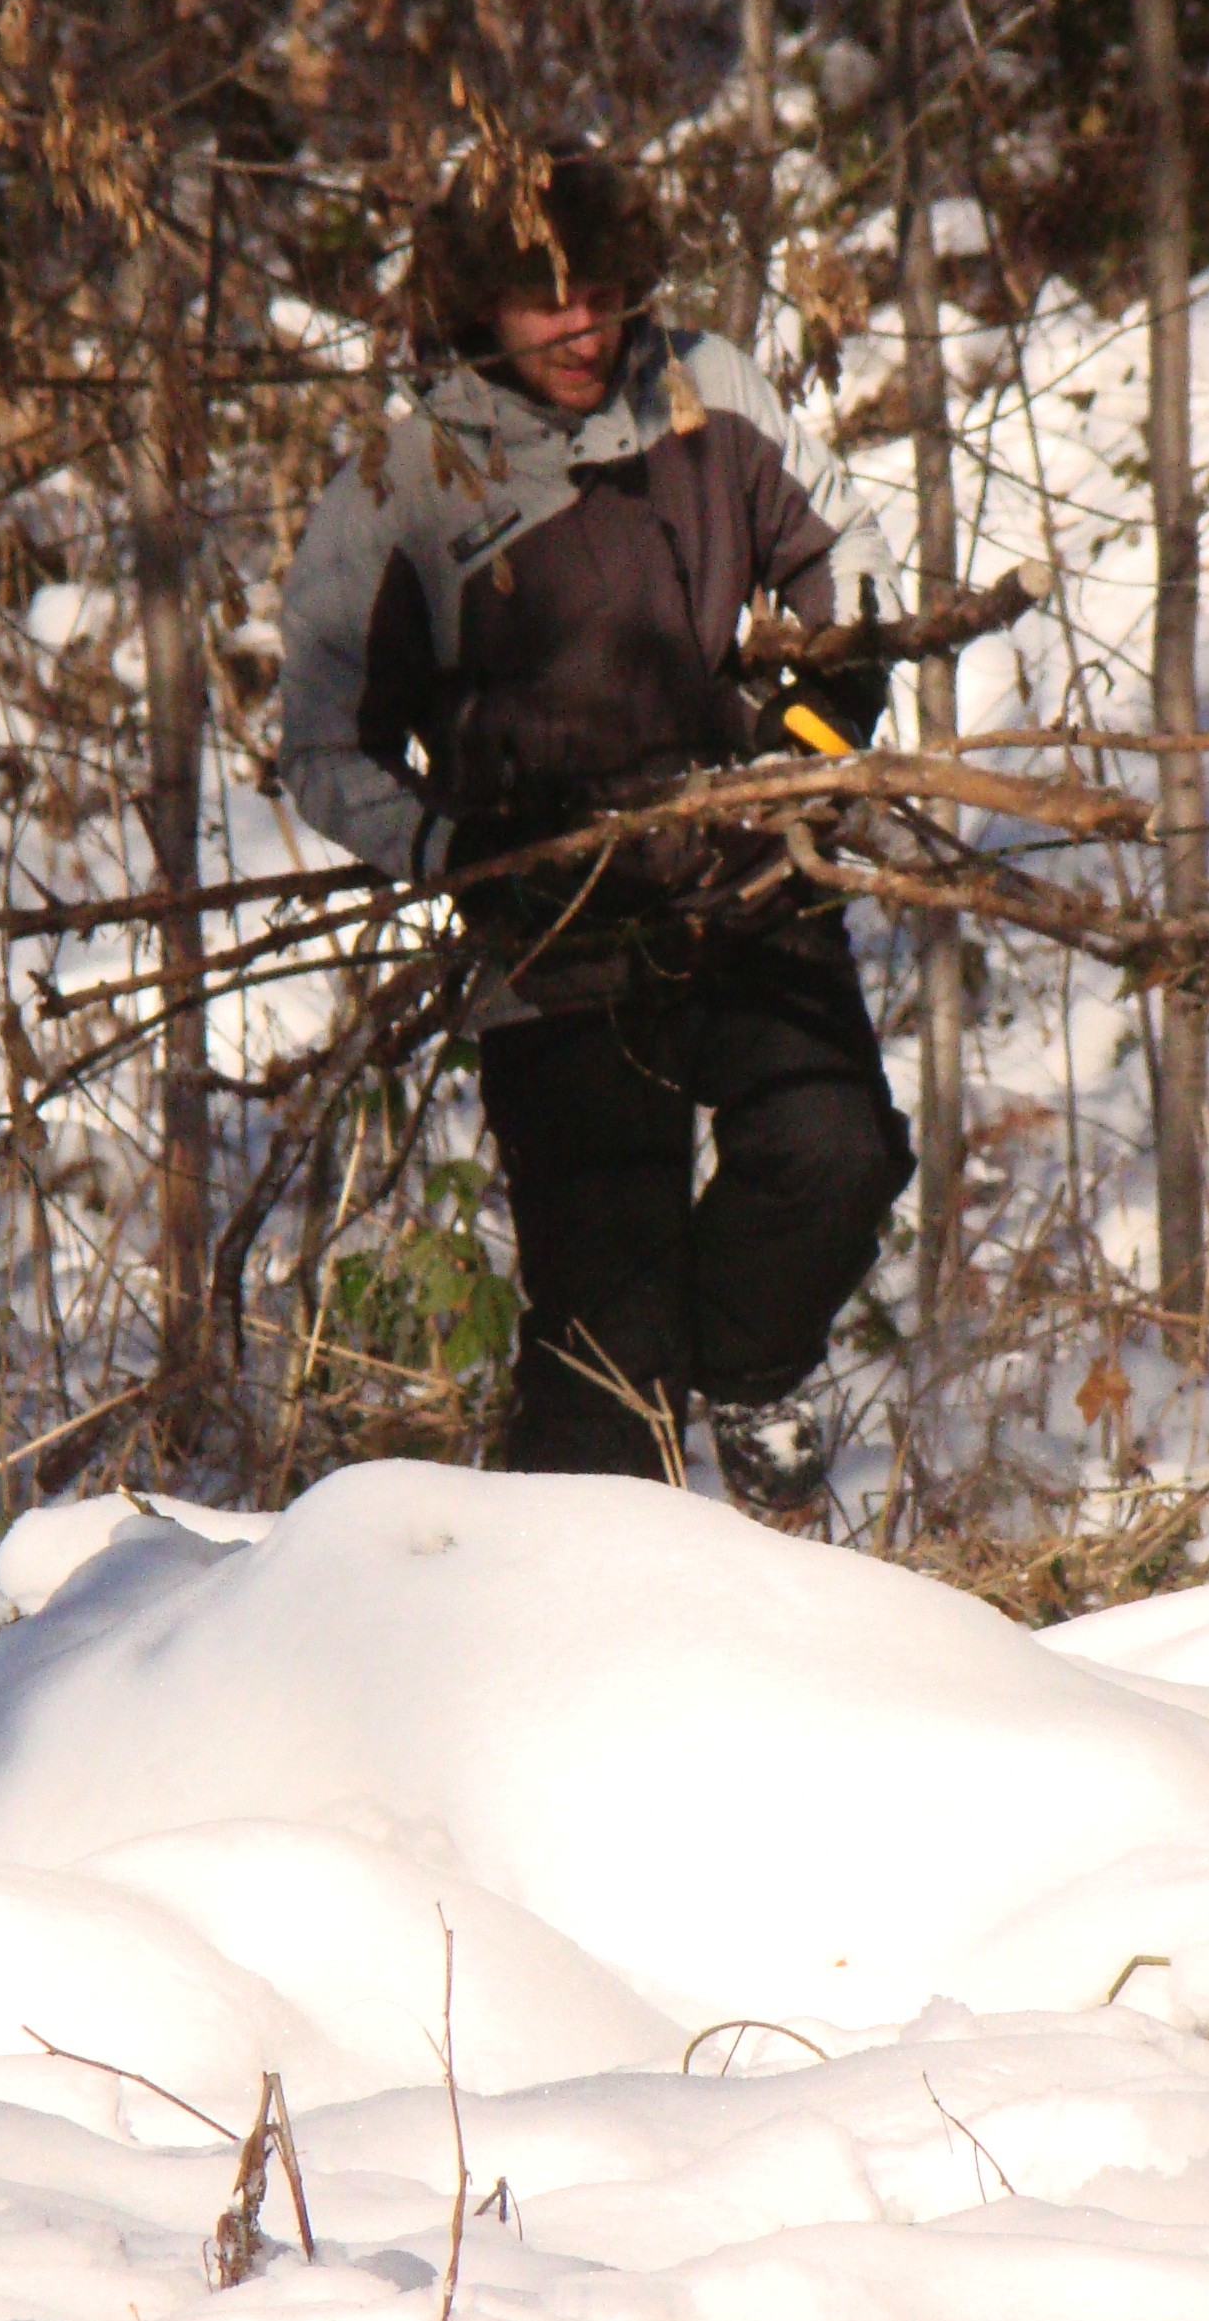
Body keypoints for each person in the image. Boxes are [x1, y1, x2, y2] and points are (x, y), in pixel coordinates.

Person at [276, 145, 912, 1512]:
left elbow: (847, 560)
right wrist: (459, 856)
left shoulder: (707, 388)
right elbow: (322, 748)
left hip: (747, 878)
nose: (583, 328)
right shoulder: (405, 479)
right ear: (477, 306)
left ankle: (749, 1371)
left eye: (606, 292)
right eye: (543, 302)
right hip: (555, 932)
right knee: (606, 1349)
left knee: (838, 1157)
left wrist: (810, 736)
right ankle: (561, 1607)